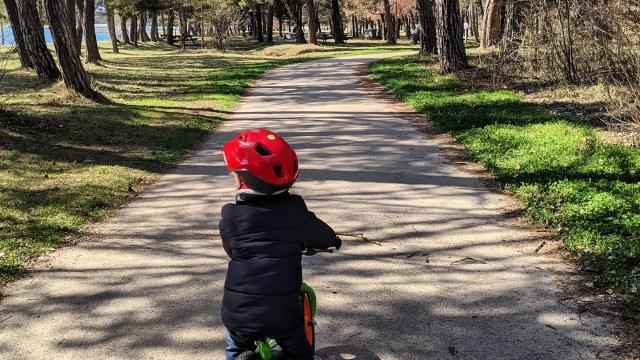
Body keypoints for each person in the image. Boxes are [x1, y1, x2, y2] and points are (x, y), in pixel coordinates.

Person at [219, 129, 341, 360]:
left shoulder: (230, 215)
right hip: (282, 316)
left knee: (235, 346)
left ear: (242, 179)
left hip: (237, 313)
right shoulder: (295, 211)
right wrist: (333, 241)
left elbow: (231, 248)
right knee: (300, 352)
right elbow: (322, 235)